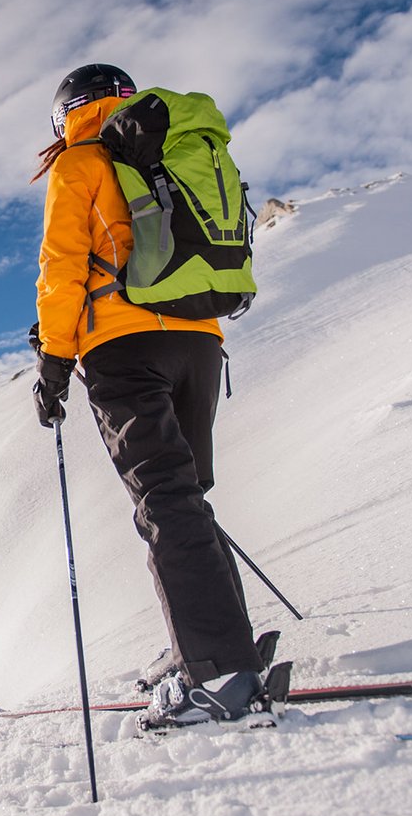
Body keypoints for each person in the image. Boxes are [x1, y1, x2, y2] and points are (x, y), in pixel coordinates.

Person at [31, 62, 267, 727]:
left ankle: (217, 673)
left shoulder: (79, 159)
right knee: (184, 495)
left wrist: (53, 362)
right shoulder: (175, 142)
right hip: (198, 339)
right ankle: (214, 647)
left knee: (165, 500)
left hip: (123, 348)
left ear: (64, 112)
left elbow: (63, 265)